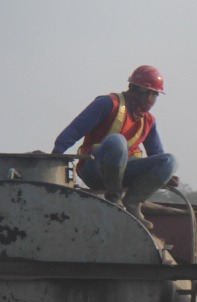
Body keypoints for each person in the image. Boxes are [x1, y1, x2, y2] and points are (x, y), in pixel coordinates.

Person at [51, 65, 178, 228]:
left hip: (123, 175)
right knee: (118, 141)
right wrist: (57, 153)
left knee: (170, 161)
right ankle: (114, 199)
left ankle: (133, 203)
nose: (149, 99)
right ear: (133, 89)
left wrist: (166, 175)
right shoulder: (109, 103)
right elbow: (76, 128)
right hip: (95, 170)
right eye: (146, 92)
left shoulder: (148, 121)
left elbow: (157, 155)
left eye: (154, 94)